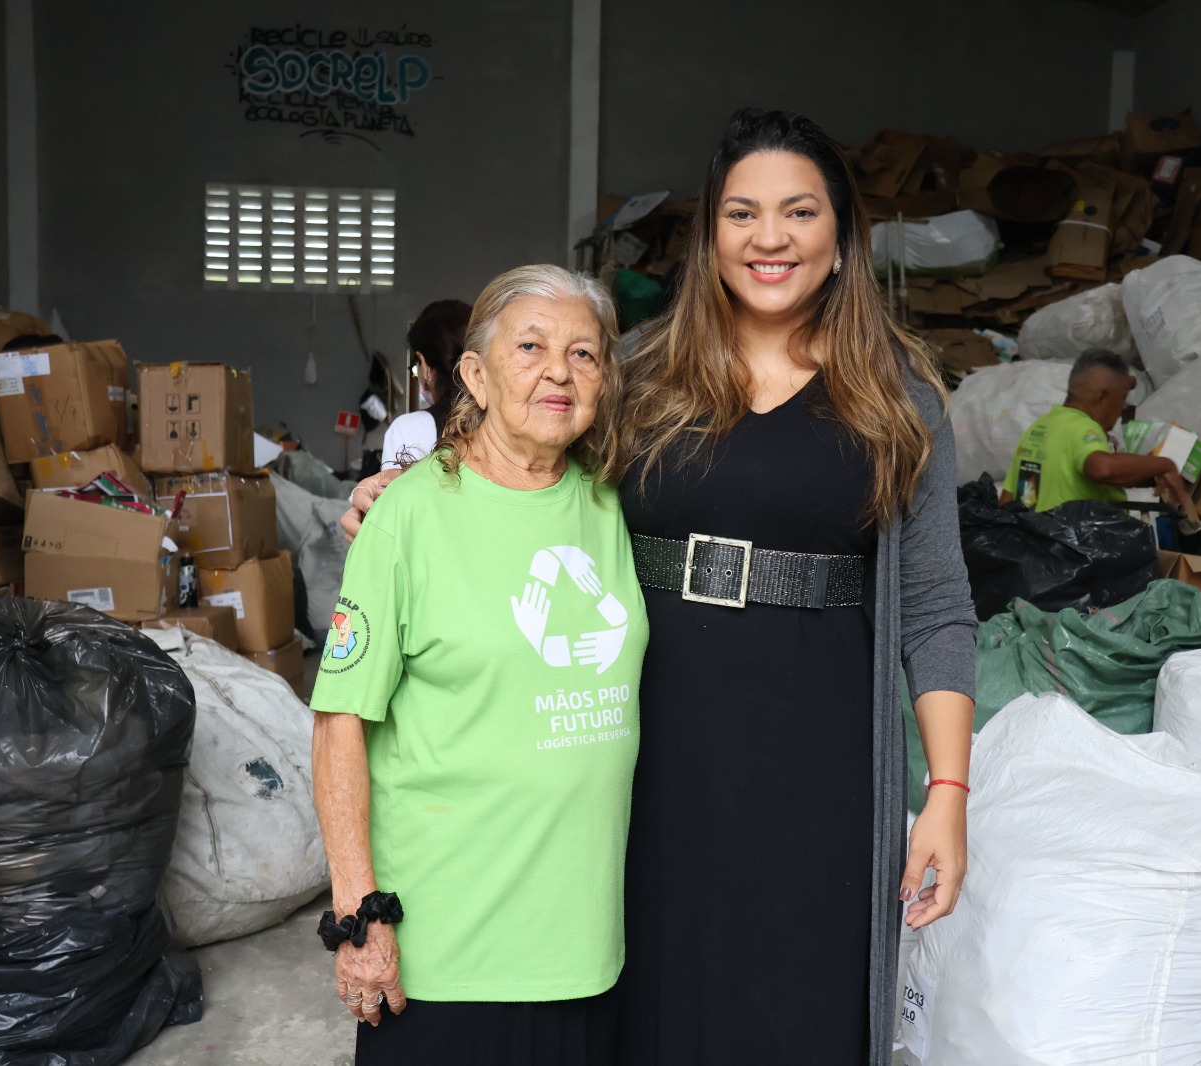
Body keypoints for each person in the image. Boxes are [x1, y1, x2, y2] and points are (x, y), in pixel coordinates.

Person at [346, 108, 975, 1066]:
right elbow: (518, 459)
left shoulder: (897, 397)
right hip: (644, 749)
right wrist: (407, 495)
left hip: (819, 759)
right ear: (710, 238)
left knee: (800, 1001)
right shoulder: (641, 373)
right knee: (650, 1007)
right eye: (742, 214)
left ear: (842, 238)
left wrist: (947, 792)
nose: (770, 238)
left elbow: (934, 606)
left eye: (799, 212)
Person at [310, 264, 646, 1066]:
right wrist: (358, 917)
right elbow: (338, 724)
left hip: (584, 951)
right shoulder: (408, 518)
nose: (559, 371)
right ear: (475, 374)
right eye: (530, 346)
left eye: (585, 354)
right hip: (448, 957)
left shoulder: (613, 502)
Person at [1002, 347, 1189, 512]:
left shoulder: (1040, 427)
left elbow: (1007, 500)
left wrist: (1147, 470)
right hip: (1076, 547)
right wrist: (1165, 464)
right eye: (1123, 397)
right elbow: (1102, 469)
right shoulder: (1083, 427)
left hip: (1037, 544)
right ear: (1101, 397)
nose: (1124, 406)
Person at [378, 298, 474, 470]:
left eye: (416, 366)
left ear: (424, 364)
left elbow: (396, 496)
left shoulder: (407, 429)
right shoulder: (503, 423)